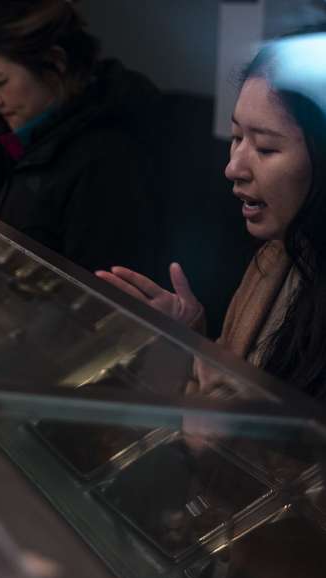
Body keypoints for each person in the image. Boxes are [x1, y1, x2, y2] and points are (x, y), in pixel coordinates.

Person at [98, 35, 326, 399]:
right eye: (237, 137)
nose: (233, 167)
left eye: (265, 148)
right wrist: (189, 338)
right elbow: (222, 395)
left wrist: (236, 431)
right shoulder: (273, 257)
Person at [0, 0, 162, 277]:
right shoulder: (42, 138)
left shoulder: (106, 159)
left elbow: (98, 295)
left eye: (0, 82)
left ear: (56, 62)